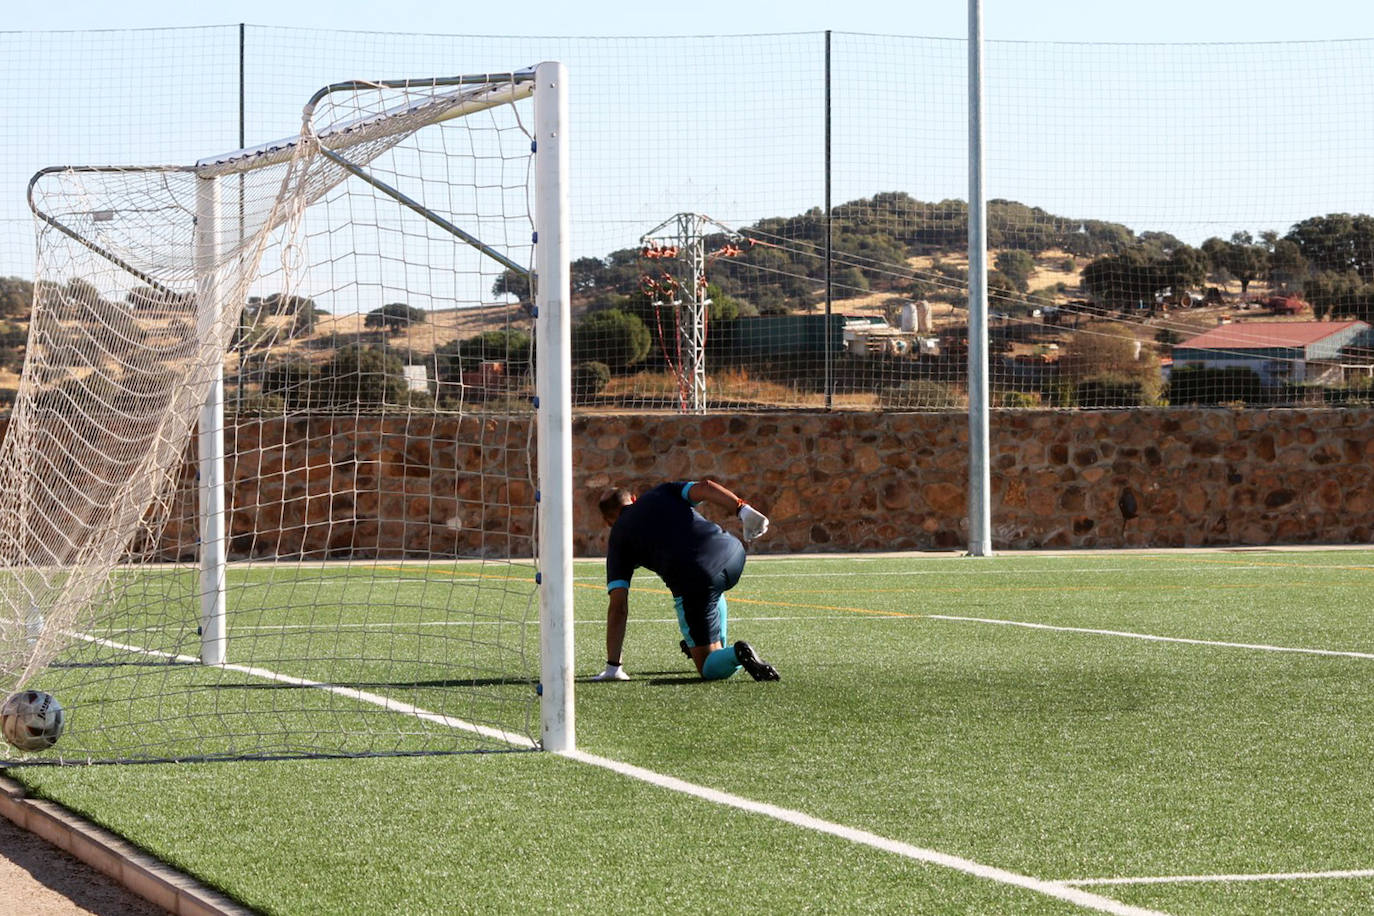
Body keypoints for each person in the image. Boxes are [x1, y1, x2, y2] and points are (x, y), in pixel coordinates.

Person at [592, 478, 780, 682]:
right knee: (711, 592)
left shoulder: (618, 536)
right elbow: (705, 487)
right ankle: (714, 646)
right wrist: (741, 509)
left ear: (607, 521)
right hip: (733, 553)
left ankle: (734, 654)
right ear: (634, 499)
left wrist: (613, 666)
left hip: (697, 579)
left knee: (709, 668)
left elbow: (618, 606)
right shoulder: (660, 491)